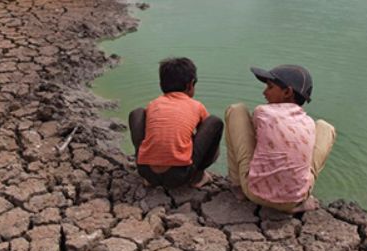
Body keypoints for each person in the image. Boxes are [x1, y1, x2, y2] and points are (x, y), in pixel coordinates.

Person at [225, 64, 336, 213]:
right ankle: (300, 197)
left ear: (287, 92)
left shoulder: (262, 112)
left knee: (236, 110)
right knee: (325, 128)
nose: (264, 92)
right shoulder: (308, 123)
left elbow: (256, 142)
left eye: (270, 87)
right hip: (295, 199)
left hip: (254, 194)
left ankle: (238, 185)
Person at [129, 57, 223, 189]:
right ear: (190, 85)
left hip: (146, 171)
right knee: (214, 122)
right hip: (179, 176)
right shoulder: (196, 106)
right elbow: (207, 136)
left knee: (137, 113)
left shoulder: (153, 104)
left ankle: (147, 173)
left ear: (162, 84)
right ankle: (198, 177)